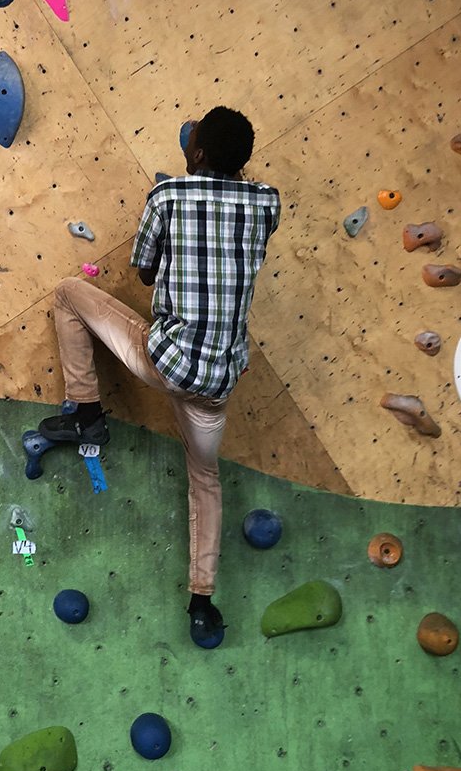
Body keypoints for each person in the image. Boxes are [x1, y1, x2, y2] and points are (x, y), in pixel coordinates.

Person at [38, 107, 281, 647]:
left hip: (162, 361)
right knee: (205, 480)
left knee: (67, 293)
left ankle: (86, 412)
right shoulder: (267, 201)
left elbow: (144, 269)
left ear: (195, 154)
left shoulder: (168, 196)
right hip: (216, 385)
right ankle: (201, 603)